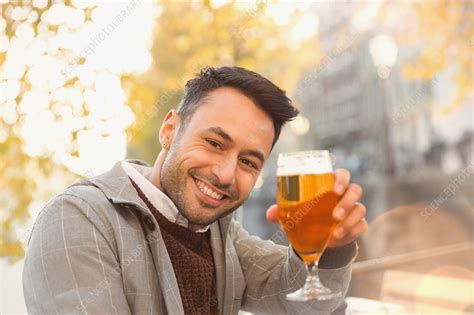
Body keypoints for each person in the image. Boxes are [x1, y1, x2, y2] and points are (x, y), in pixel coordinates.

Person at [23, 66, 368, 314]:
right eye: (215, 143)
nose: (225, 174)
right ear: (170, 130)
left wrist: (332, 248)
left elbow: (295, 302)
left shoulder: (219, 232)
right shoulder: (76, 220)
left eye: (248, 162)